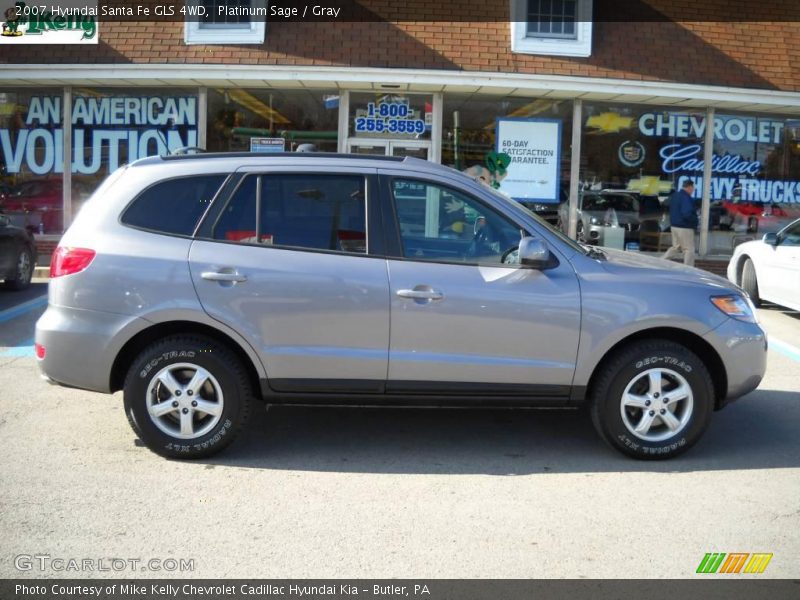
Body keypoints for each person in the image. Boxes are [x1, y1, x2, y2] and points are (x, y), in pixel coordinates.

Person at [663, 180, 698, 266]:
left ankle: (660, 261)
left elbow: (666, 204)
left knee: (676, 247)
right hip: (685, 227)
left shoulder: (675, 195)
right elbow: (687, 213)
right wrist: (695, 222)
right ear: (689, 187)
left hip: (674, 226)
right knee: (689, 249)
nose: (693, 190)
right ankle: (688, 269)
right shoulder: (686, 197)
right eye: (693, 188)